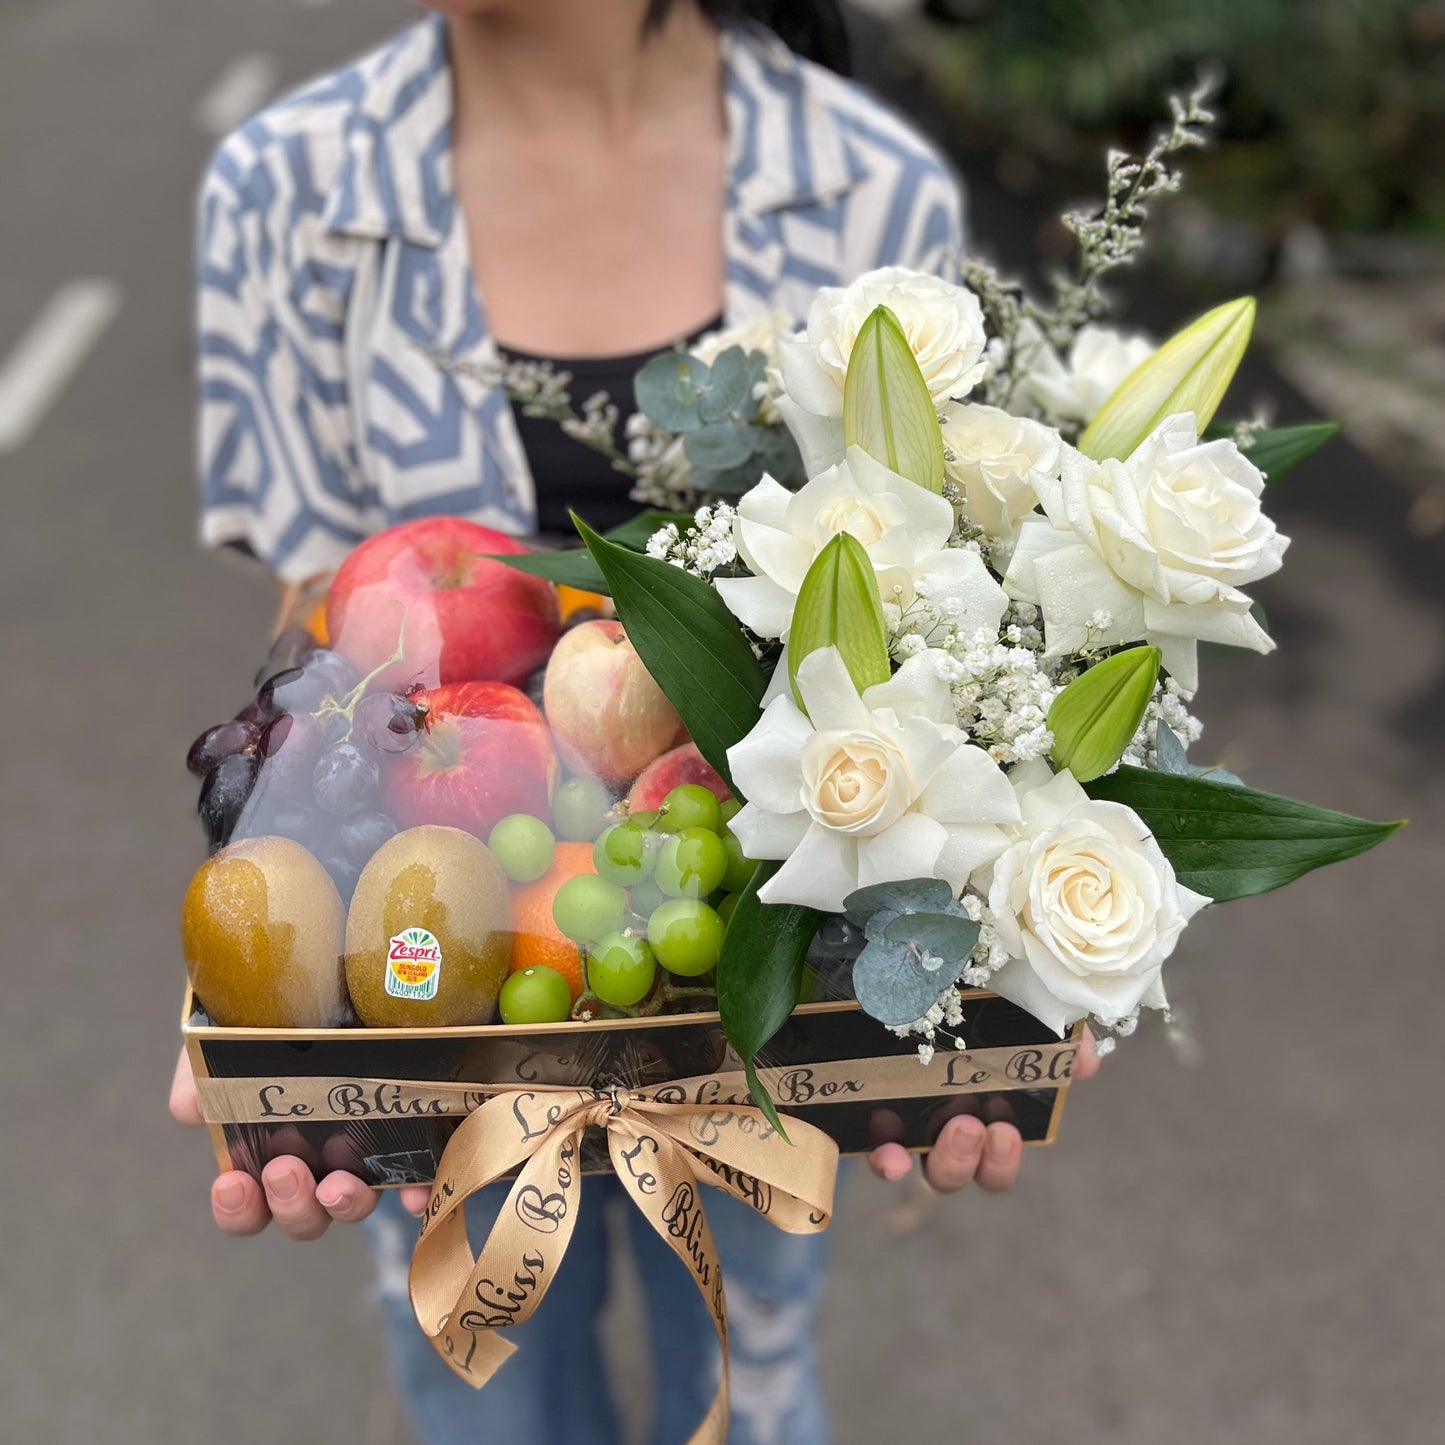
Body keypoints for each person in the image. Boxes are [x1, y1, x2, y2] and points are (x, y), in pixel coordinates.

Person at [170, 2, 1099, 1441]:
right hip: (453, 966)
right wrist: (271, 982)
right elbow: (317, 623)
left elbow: (945, 619)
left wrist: (997, 964)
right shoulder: (284, 186)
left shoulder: (867, 181)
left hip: (752, 972)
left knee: (740, 1388)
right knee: (486, 1395)